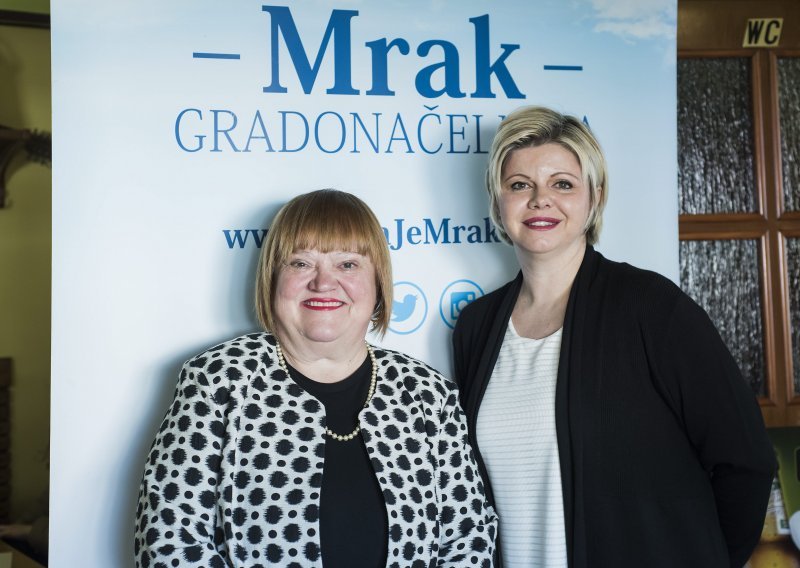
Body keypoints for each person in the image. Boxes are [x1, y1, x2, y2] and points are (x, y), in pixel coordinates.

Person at [452, 106, 776, 568]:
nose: (541, 200)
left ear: (595, 197)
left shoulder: (651, 307)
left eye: (563, 184)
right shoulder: (476, 327)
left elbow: (746, 461)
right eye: (520, 185)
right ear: (497, 201)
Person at [134, 189, 497, 568]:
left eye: (348, 264)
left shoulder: (427, 393)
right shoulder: (219, 380)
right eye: (301, 263)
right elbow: (168, 542)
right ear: (272, 278)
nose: (323, 283)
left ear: (378, 283)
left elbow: (468, 537)